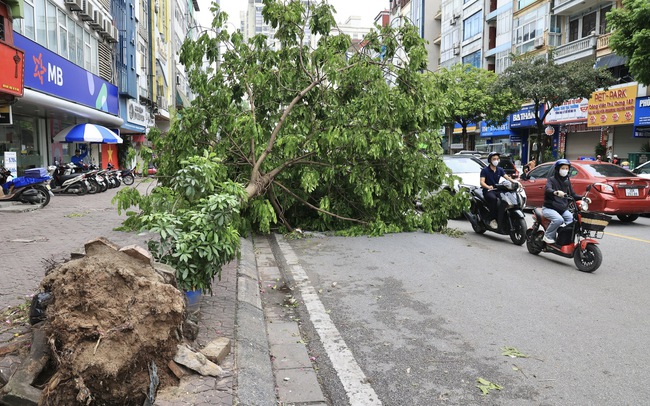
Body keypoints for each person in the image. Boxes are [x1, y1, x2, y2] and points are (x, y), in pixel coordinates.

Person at [542, 159, 590, 244]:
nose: (565, 170)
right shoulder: (551, 180)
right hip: (549, 208)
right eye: (563, 168)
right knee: (558, 220)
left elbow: (573, 195)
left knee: (572, 220)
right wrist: (555, 192)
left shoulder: (567, 181)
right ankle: (548, 235)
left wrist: (583, 198)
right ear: (558, 169)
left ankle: (563, 238)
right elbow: (548, 189)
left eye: (567, 168)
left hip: (562, 208)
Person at [480, 151, 519, 228]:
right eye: (494, 159)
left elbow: (507, 177)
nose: (496, 160)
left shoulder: (499, 169)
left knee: (505, 200)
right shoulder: (485, 170)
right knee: (494, 200)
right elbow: (482, 182)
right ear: (490, 160)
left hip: (497, 189)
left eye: (497, 159)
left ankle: (501, 217)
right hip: (488, 191)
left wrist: (515, 182)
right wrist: (488, 186)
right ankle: (491, 219)